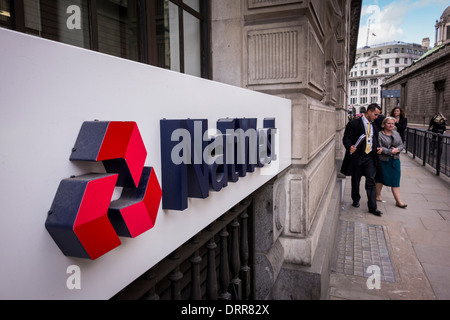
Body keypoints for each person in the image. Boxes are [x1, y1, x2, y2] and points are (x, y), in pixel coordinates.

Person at [341, 103, 383, 216]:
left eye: (378, 115)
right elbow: (346, 138)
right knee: (356, 180)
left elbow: (374, 139)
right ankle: (356, 199)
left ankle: (373, 207)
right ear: (369, 111)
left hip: (370, 157)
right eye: (375, 114)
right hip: (357, 157)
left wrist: (378, 148)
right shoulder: (354, 123)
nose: (376, 117)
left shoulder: (374, 125)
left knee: (371, 182)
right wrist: (350, 146)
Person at [375, 117, 407, 208]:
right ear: (384, 124)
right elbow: (379, 147)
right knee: (380, 179)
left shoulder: (396, 134)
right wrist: (390, 151)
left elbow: (401, 144)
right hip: (383, 161)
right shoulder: (379, 135)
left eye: (392, 124)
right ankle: (378, 195)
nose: (391, 125)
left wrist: (397, 149)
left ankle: (398, 201)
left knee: (396, 180)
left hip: (395, 160)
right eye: (389, 123)